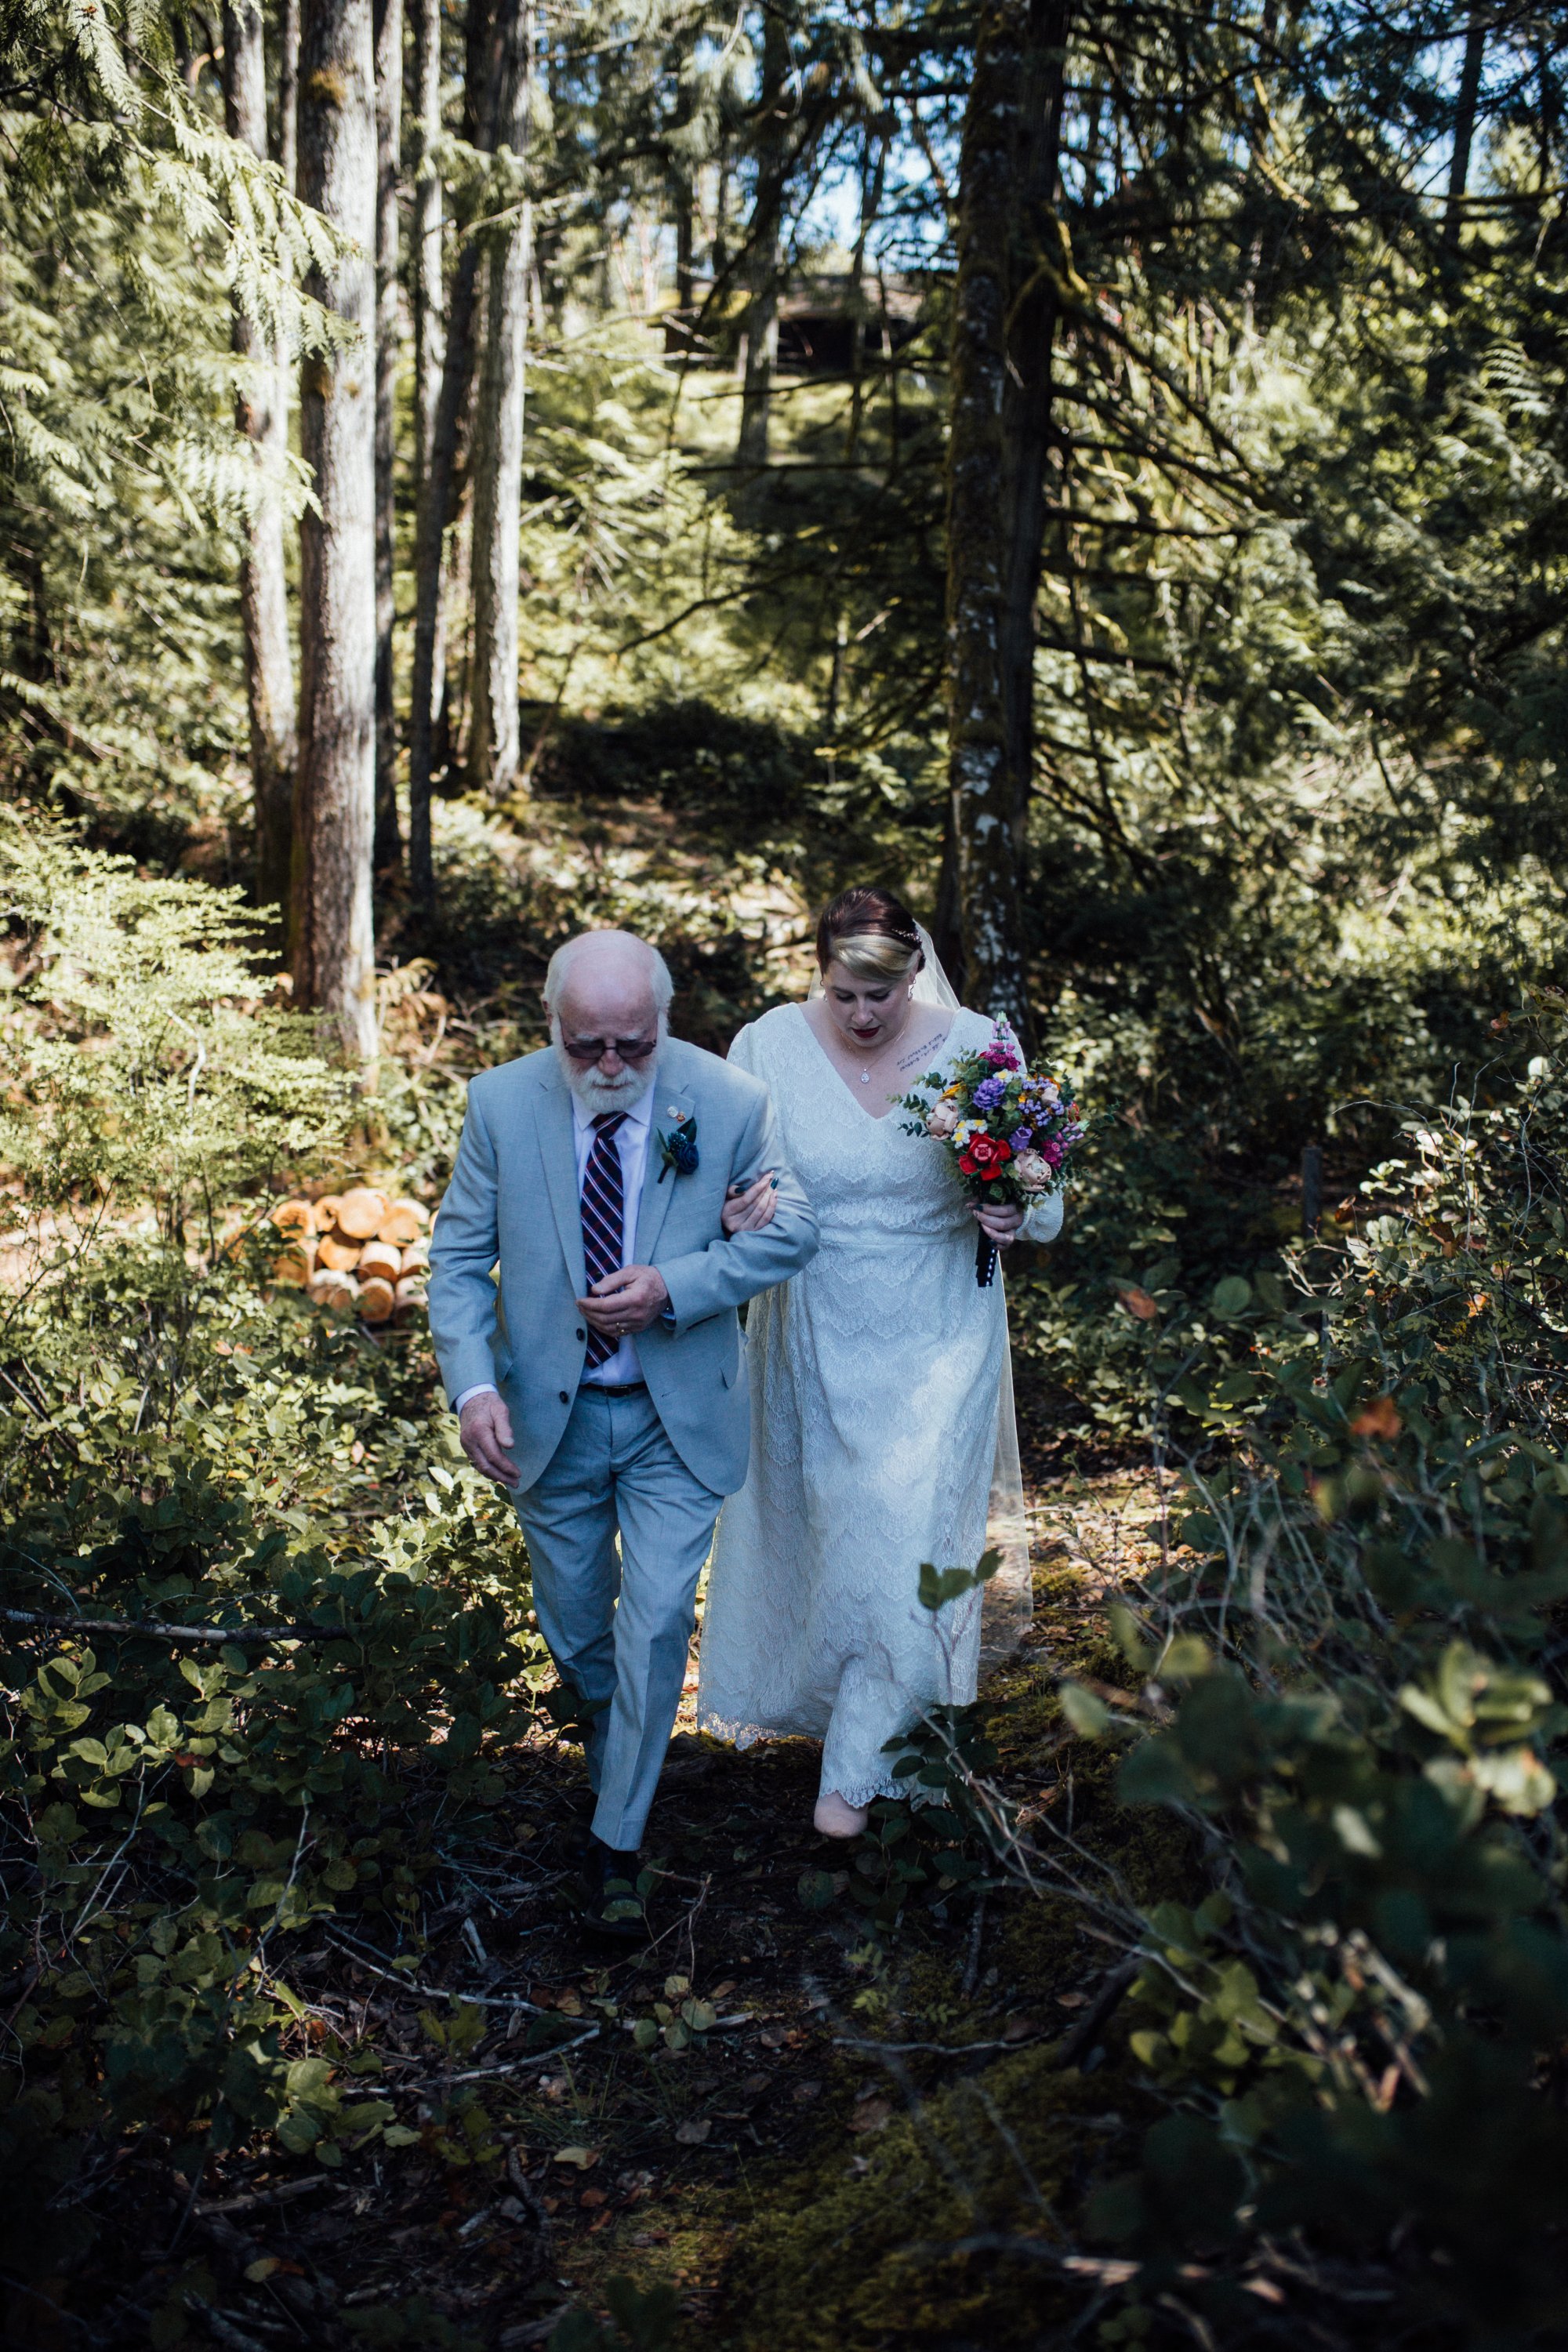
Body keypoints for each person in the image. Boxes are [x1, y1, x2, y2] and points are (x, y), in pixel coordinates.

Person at [427, 928, 818, 1934]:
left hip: (672, 1418)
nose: (609, 1065)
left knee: (653, 1624)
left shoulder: (729, 1100)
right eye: (586, 1044)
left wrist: (674, 1287)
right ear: (551, 1022)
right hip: (545, 1420)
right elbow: (458, 1260)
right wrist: (473, 1391)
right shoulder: (499, 1104)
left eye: (632, 1045)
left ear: (664, 1022)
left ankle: (615, 1846)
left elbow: (794, 1229)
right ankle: (617, 1759)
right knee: (574, 1630)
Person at [696, 886, 1063, 1838]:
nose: (862, 1016)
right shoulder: (765, 1046)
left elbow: (1046, 1196)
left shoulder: (980, 1047)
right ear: (817, 973)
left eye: (881, 996)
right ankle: (862, 1720)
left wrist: (1013, 1209)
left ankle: (854, 1775)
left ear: (914, 974)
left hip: (939, 1323)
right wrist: (736, 1212)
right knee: (833, 1527)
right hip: (810, 1323)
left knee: (910, 1527)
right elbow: (716, 1185)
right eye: (843, 995)